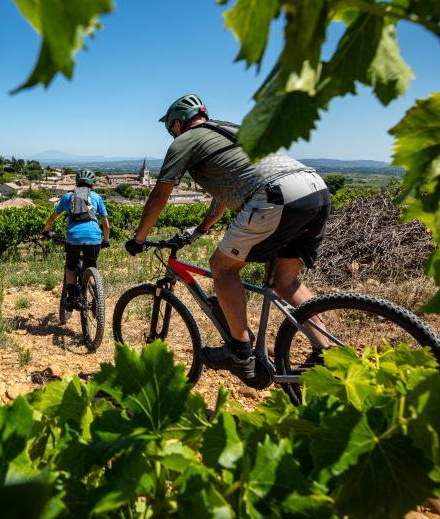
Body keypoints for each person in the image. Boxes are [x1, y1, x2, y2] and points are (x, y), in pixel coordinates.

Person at [125, 94, 331, 382]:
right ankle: (327, 352)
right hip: (314, 189)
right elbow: (221, 198)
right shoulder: (231, 130)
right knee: (285, 281)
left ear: (178, 124)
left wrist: (138, 238)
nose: (172, 134)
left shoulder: (185, 141)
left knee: (222, 268)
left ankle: (240, 352)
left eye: (171, 129)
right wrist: (201, 229)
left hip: (275, 194)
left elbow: (160, 195)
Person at [43, 168, 111, 310]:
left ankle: (71, 299)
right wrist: (106, 240)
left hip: (74, 237)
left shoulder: (68, 197)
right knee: (90, 265)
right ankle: (97, 299)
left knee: (71, 267)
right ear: (92, 183)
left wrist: (46, 231)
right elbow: (106, 224)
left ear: (77, 182)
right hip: (94, 237)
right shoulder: (97, 197)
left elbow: (52, 218)